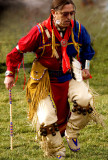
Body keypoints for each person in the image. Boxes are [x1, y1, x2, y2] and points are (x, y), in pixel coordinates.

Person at [4, 0, 98, 159]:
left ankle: (71, 132)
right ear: (54, 13)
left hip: (70, 73)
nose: (69, 17)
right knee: (47, 118)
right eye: (65, 14)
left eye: (72, 13)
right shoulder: (39, 31)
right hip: (43, 77)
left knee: (85, 100)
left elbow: (87, 48)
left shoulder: (78, 28)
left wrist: (85, 67)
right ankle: (56, 149)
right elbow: (17, 51)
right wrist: (10, 74)